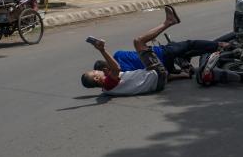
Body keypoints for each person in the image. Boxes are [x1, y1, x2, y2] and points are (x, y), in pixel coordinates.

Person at [80, 5, 230, 96]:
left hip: (159, 78)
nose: (98, 72)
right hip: (159, 69)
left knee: (183, 50)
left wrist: (182, 75)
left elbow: (140, 76)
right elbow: (116, 69)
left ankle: (207, 53)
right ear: (97, 79)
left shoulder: (106, 90)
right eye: (95, 73)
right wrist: (102, 50)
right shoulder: (109, 81)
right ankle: (169, 22)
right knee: (138, 41)